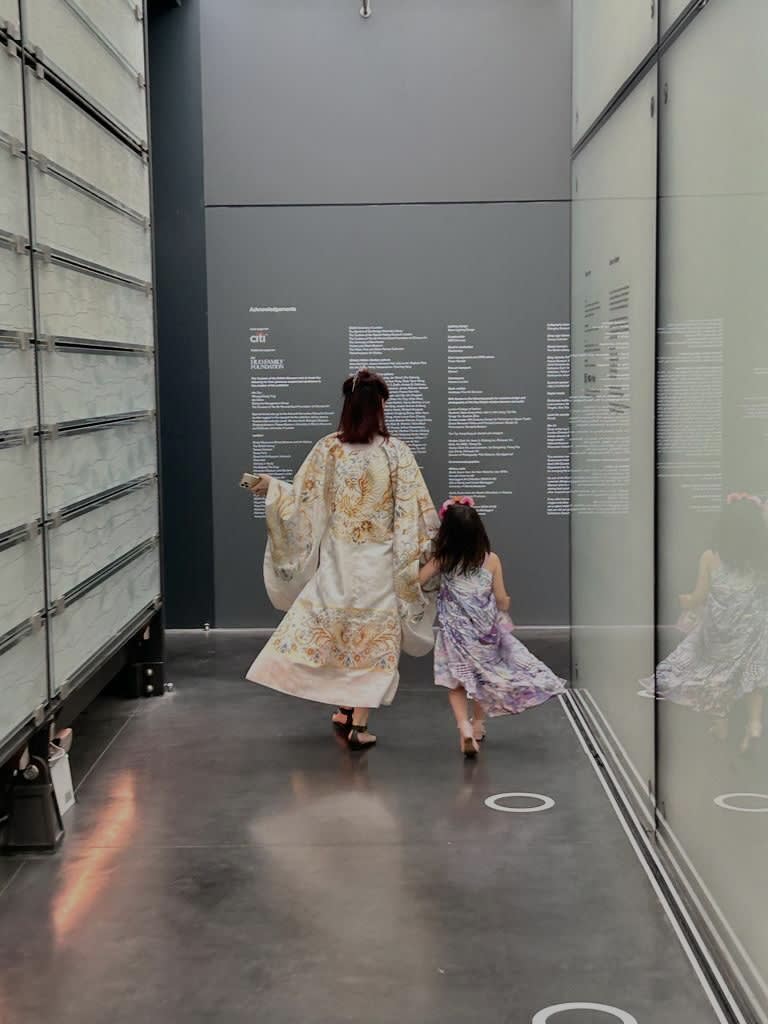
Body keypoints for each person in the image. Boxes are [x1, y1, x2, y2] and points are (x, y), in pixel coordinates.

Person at [245, 369, 439, 749]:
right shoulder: (395, 452)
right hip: (380, 563)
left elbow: (302, 501)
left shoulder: (329, 448)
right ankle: (357, 724)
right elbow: (415, 512)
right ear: (378, 406)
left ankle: (344, 710)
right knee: (374, 639)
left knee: (337, 632)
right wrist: (436, 539)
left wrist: (272, 489)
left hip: (339, 560)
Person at [419, 496, 567, 757]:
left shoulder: (443, 559)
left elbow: (418, 580)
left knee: (457, 685)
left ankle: (464, 727)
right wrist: (505, 602)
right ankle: (478, 725)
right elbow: (501, 599)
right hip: (484, 635)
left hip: (455, 636)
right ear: (479, 531)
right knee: (482, 680)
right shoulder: (491, 560)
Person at [650, 494, 768, 752]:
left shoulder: (710, 557)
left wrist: (684, 600)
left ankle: (720, 725)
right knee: (755, 675)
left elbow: (699, 596)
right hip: (754, 630)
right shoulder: (762, 557)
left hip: (720, 631)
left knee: (716, 675)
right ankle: (755, 725)